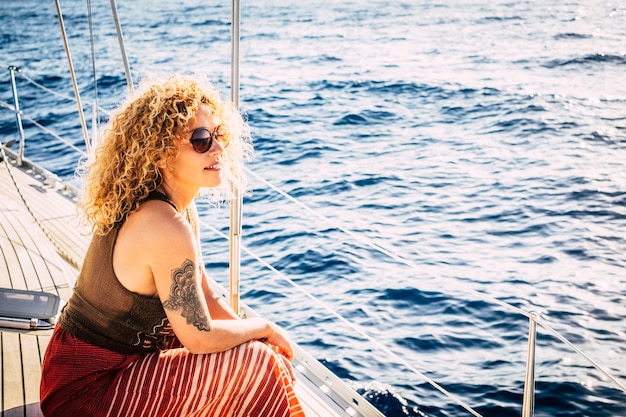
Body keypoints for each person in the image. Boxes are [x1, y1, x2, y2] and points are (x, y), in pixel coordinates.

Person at [40, 74, 305, 417]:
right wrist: (265, 329)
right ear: (159, 153)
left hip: (105, 371)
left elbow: (206, 299)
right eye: (200, 140)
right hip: (83, 393)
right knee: (255, 363)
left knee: (257, 353)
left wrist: (258, 339)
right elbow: (200, 336)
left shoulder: (175, 209)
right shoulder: (163, 224)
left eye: (218, 134)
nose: (218, 148)